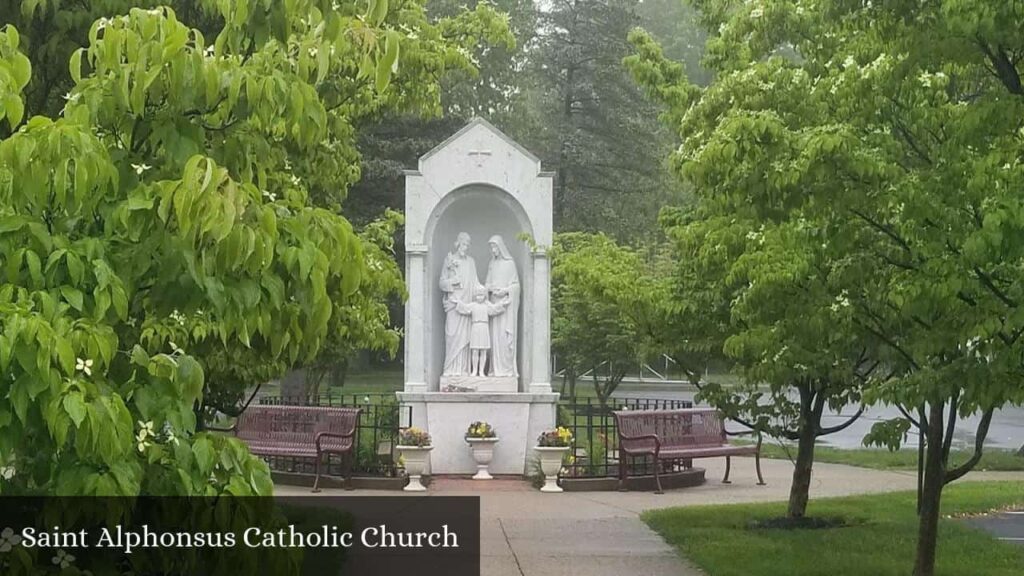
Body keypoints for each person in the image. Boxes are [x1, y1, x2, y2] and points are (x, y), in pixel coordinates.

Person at [439, 232, 479, 376]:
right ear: (458, 243)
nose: (465, 247)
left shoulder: (471, 262)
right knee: (452, 336)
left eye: (468, 245)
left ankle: (463, 371)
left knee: (467, 339)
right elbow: (442, 283)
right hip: (453, 306)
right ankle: (450, 369)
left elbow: (475, 284)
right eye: (463, 244)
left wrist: (484, 292)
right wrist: (452, 282)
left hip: (467, 306)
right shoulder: (449, 261)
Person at [485, 235, 520, 377]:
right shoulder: (492, 264)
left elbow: (516, 285)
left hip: (506, 307)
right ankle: (494, 369)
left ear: (501, 247)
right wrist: (490, 288)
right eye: (491, 248)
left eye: (495, 247)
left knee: (505, 337)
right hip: (494, 304)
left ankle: (506, 369)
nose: (493, 250)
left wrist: (506, 291)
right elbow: (486, 283)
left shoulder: (510, 264)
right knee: (495, 338)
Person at [457, 286, 510, 376]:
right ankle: (474, 370)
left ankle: (481, 371)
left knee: (483, 351)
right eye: (478, 295)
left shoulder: (487, 305)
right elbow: (465, 308)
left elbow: (494, 309)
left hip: (484, 327)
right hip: (475, 327)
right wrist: (458, 302)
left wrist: (502, 303)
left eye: (481, 295)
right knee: (475, 350)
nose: (479, 297)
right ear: (475, 296)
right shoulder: (473, 305)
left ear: (485, 296)